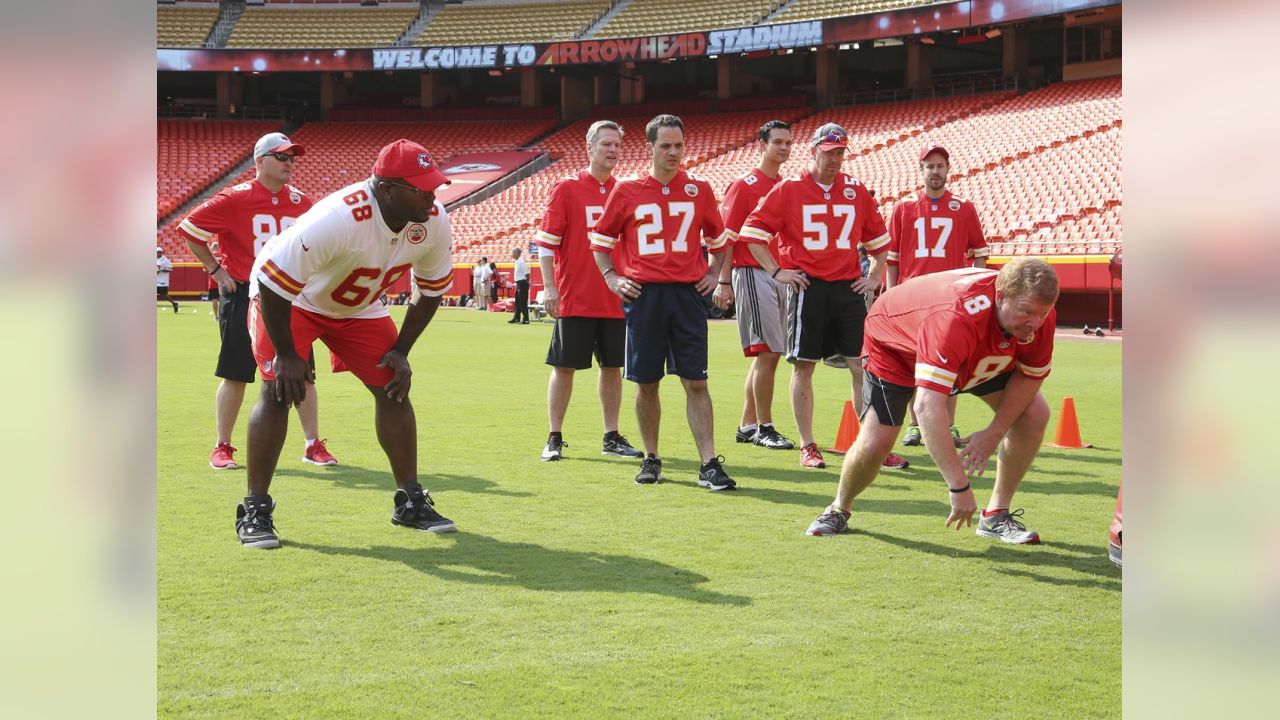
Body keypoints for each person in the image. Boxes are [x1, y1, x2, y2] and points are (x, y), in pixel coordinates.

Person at [236, 138, 459, 548]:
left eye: (433, 185)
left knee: (393, 387)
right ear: (388, 190)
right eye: (421, 187)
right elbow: (272, 281)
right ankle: (255, 508)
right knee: (277, 391)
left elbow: (429, 291)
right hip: (292, 300)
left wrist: (402, 350)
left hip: (357, 307)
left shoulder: (431, 220)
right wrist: (287, 354)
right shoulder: (338, 218)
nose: (432, 196)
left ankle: (409, 500)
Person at [805, 259, 1058, 544]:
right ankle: (839, 507)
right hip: (897, 346)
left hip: (971, 343)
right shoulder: (956, 316)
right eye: (1026, 311)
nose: (1035, 323)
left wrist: (994, 433)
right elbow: (927, 406)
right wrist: (958, 487)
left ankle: (996, 515)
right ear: (1001, 297)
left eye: (1043, 313)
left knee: (1034, 413)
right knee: (877, 441)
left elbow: (1030, 377)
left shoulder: (1036, 317)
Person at [739, 122, 910, 471]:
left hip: (847, 288)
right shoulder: (789, 189)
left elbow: (880, 243)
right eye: (829, 152)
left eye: (841, 153)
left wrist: (874, 277)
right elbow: (752, 234)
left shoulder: (855, 190)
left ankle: (871, 443)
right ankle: (808, 444)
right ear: (814, 150)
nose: (835, 159)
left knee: (862, 365)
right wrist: (776, 271)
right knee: (804, 366)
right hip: (809, 287)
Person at [589, 114, 736, 491]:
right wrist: (612, 278)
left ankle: (708, 462)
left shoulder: (699, 189)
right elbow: (600, 244)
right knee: (647, 383)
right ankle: (652, 457)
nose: (673, 152)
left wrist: (713, 275)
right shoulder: (627, 190)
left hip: (687, 296)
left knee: (696, 382)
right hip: (646, 296)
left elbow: (720, 243)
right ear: (651, 147)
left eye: (679, 145)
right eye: (666, 146)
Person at [179, 132, 338, 470]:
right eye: (281, 157)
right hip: (243, 294)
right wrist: (216, 271)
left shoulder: (302, 202)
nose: (289, 163)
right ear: (260, 161)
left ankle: (312, 443)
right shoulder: (234, 199)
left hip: (289, 300)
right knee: (235, 374)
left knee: (303, 373)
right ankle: (222, 445)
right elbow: (190, 229)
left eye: (292, 157)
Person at [534, 119, 641, 462]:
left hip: (615, 296)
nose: (612, 151)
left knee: (613, 368)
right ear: (589, 148)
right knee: (564, 367)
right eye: (606, 144)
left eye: (617, 145)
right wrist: (550, 287)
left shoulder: (624, 191)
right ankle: (554, 436)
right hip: (575, 296)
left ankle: (611, 435)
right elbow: (547, 244)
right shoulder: (567, 188)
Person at [887, 144, 990, 449]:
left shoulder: (964, 207)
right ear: (921, 171)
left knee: (951, 364)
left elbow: (979, 253)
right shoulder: (903, 207)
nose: (935, 171)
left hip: (950, 298)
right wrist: (893, 294)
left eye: (940, 166)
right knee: (912, 363)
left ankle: (948, 425)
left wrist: (972, 285)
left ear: (948, 170)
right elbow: (891, 258)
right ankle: (916, 425)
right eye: (929, 166)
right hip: (913, 298)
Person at [712, 120, 796, 452]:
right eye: (778, 142)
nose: (784, 148)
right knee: (768, 351)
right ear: (763, 145)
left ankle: (748, 424)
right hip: (751, 271)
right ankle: (764, 426)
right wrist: (723, 280)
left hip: (778, 272)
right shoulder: (744, 186)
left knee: (767, 354)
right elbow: (727, 237)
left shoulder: (786, 186)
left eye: (788, 143)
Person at [509, 246, 531, 324]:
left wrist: (526, 283)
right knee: (517, 302)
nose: (512, 254)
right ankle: (516, 317)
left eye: (513, 253)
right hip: (519, 283)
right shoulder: (518, 262)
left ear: (517, 253)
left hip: (522, 283)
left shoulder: (522, 262)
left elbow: (527, 274)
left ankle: (526, 318)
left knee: (522, 302)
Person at [156, 247, 179, 313]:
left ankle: (174, 303)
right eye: (157, 252)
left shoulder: (165, 260)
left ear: (162, 252)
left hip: (162, 280)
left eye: (160, 252)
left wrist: (161, 270)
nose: (159, 253)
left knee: (164, 295)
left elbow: (170, 269)